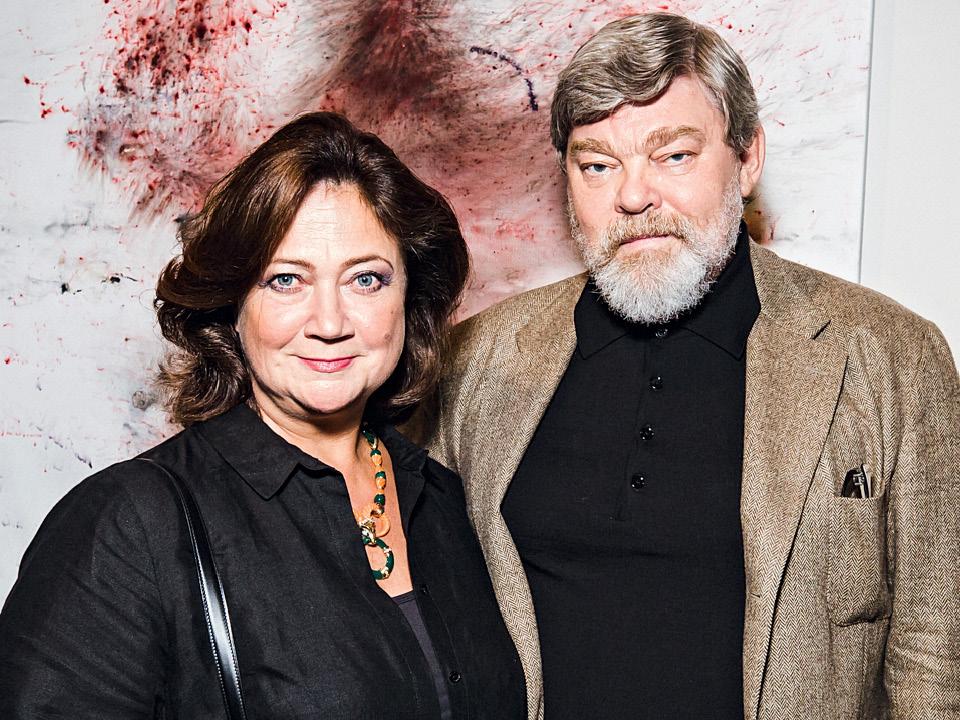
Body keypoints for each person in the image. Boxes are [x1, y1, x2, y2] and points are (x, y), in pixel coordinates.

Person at [415, 12, 960, 720]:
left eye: (673, 156)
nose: (633, 196)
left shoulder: (890, 356)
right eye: (597, 165)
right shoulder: (476, 359)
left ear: (748, 158)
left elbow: (933, 661)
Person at [0, 112, 526, 719]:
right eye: (285, 280)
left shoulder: (446, 497)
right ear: (232, 304)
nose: (329, 323)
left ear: (410, 297)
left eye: (365, 279)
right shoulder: (128, 525)